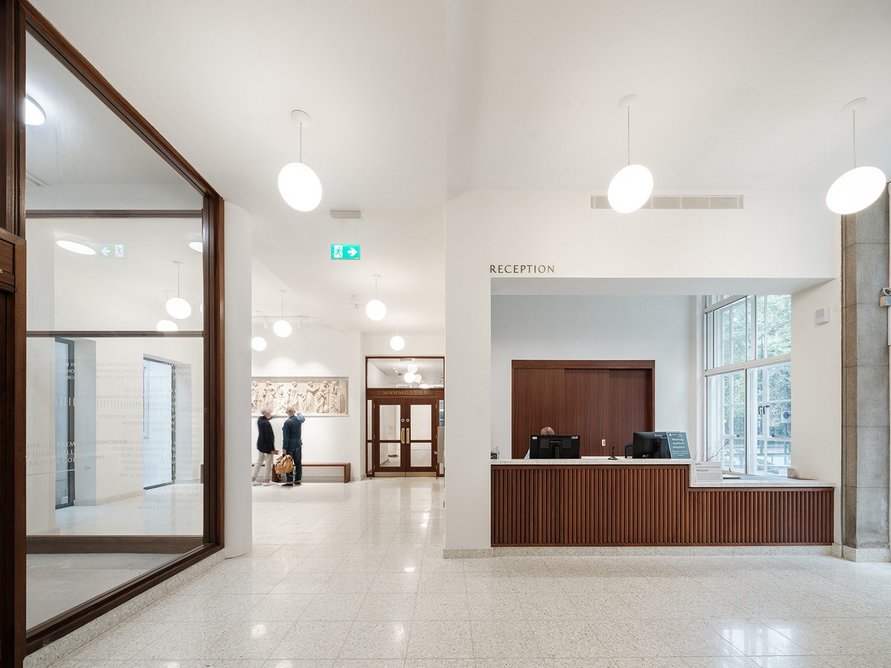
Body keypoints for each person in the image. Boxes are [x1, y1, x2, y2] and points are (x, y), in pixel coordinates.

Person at [252, 408, 276, 485]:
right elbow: (269, 437)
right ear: (266, 414)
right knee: (268, 463)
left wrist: (271, 416)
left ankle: (252, 478)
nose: (271, 413)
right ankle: (266, 480)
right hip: (267, 447)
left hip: (260, 445)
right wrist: (272, 449)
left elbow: (267, 417)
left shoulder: (260, 420)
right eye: (269, 412)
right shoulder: (266, 424)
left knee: (259, 462)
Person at [281, 407, 305, 486]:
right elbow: (302, 418)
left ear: (287, 412)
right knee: (298, 463)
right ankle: (298, 480)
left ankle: (290, 481)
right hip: (298, 444)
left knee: (289, 463)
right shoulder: (299, 420)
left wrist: (284, 448)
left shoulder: (287, 422)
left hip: (290, 446)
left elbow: (286, 437)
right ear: (294, 412)